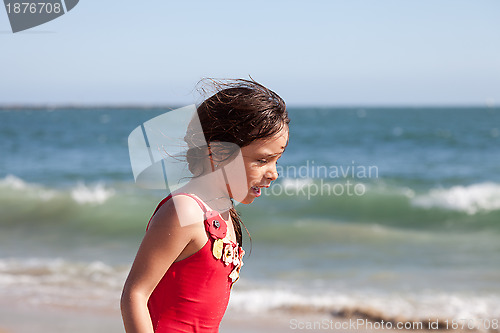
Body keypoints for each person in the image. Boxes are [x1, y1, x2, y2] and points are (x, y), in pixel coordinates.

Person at [121, 78, 290, 333]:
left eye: (276, 160)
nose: (273, 173)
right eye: (262, 160)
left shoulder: (226, 216)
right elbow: (134, 296)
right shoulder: (184, 211)